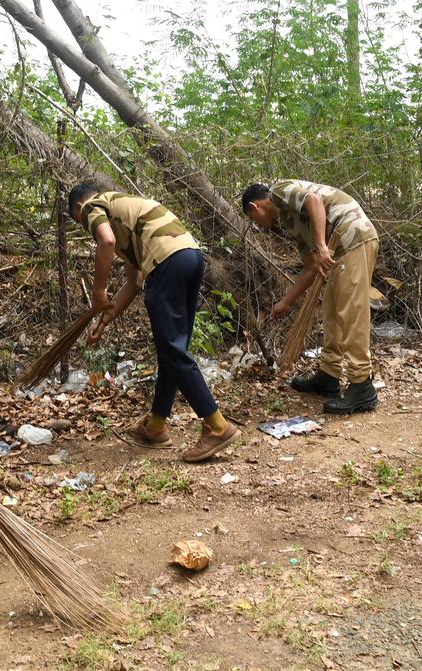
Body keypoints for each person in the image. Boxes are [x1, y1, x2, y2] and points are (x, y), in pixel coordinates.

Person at [68, 183, 241, 462]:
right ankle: (156, 426)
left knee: (172, 350)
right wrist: (105, 319)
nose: (87, 226)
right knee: (171, 350)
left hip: (167, 264)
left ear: (78, 207)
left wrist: (99, 291)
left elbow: (105, 242)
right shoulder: (127, 215)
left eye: (80, 222)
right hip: (190, 257)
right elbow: (134, 283)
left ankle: (217, 427)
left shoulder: (91, 205)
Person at [241, 180, 380, 414]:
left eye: (254, 220)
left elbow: (314, 200)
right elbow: (311, 266)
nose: (260, 226)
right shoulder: (290, 220)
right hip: (340, 249)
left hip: (353, 237)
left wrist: (321, 246)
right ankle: (329, 374)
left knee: (351, 313)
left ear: (255, 207)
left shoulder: (278, 192)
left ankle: (361, 385)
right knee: (332, 311)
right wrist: (286, 302)